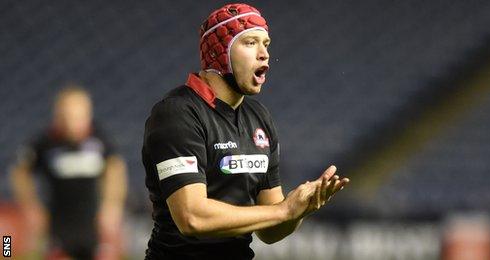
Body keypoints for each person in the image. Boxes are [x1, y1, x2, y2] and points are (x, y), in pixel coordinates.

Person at [142, 3, 349, 259]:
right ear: (219, 53)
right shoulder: (177, 113)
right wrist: (284, 211)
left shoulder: (259, 117)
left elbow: (269, 233)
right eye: (250, 42)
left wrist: (299, 211)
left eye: (266, 44)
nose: (264, 54)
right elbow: (191, 217)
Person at [10, 86, 127, 260]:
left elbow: (115, 169)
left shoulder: (99, 140)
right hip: (59, 225)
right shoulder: (45, 143)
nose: (74, 122)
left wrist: (112, 206)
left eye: (79, 115)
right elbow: (20, 172)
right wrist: (31, 206)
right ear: (58, 115)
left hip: (94, 224)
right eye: (68, 115)